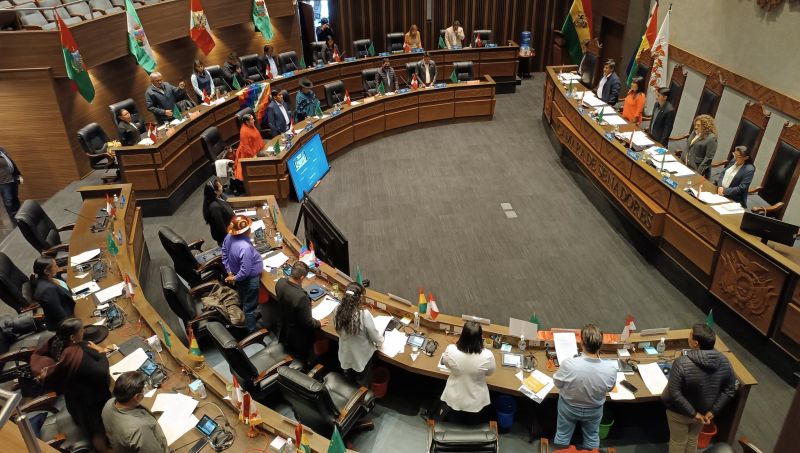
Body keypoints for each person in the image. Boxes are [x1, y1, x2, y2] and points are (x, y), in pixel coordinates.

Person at [31, 318, 112, 453]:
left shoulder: (56, 344)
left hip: (74, 401)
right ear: (72, 337)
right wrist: (102, 353)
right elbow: (103, 374)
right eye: (81, 330)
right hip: (91, 406)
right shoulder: (76, 356)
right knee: (98, 433)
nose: (84, 331)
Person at [662, 324, 736, 453]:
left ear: (696, 343)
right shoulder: (724, 361)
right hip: (704, 412)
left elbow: (674, 393)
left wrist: (693, 414)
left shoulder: (681, 363)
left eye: (690, 334)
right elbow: (729, 389)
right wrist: (713, 411)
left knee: (678, 441)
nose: (688, 335)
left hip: (679, 413)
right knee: (693, 439)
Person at [553, 324, 617, 450]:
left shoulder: (569, 364)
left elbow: (557, 384)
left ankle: (562, 451)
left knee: (562, 434)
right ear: (600, 345)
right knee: (592, 437)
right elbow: (609, 388)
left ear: (581, 343)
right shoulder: (610, 369)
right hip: (594, 410)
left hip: (568, 408)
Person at [438, 321, 496, 424]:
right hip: (476, 404)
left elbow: (446, 364)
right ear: (480, 337)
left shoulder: (450, 350)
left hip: (453, 400)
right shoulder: (488, 355)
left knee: (454, 421)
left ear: (462, 335)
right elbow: (490, 373)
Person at [275, 261, 329, 364]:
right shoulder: (301, 297)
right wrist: (319, 323)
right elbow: (308, 323)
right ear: (302, 277)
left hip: (284, 325)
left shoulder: (280, 282)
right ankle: (307, 363)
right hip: (298, 336)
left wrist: (304, 306)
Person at [102, 370, 169, 453]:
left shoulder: (109, 403)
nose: (145, 390)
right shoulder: (139, 431)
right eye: (144, 389)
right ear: (137, 397)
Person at [333, 282, 383, 384]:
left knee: (348, 380)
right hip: (361, 358)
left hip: (345, 355)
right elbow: (376, 338)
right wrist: (380, 342)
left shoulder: (337, 309)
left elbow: (338, 330)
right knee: (363, 382)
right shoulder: (364, 315)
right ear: (360, 298)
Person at [222, 214, 263, 332]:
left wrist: (230, 272)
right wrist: (234, 278)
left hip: (237, 275)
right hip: (249, 280)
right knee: (250, 306)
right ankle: (252, 330)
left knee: (245, 298)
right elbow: (245, 272)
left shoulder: (228, 237)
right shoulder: (245, 248)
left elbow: (224, 253)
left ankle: (247, 315)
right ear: (247, 231)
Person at [30, 255, 75, 331]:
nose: (57, 267)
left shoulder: (47, 278)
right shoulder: (48, 291)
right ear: (46, 271)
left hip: (70, 305)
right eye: (55, 266)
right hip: (67, 322)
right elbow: (60, 316)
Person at [682, 114, 718, 179]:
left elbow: (708, 159)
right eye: (695, 125)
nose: (695, 127)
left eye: (698, 125)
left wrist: (698, 174)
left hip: (694, 168)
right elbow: (688, 146)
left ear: (705, 126)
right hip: (683, 162)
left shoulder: (712, 139)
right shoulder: (695, 132)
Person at [202, 178, 234, 246]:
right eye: (220, 186)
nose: (222, 186)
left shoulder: (220, 196)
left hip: (230, 229)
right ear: (215, 192)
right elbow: (220, 226)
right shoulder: (215, 207)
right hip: (226, 239)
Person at [234, 113, 265, 180]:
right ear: (247, 122)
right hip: (248, 154)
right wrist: (253, 156)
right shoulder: (244, 132)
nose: (254, 120)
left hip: (256, 148)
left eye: (253, 119)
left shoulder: (251, 125)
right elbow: (246, 147)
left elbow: (257, 136)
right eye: (252, 119)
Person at [0, 146, 23, 221]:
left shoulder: (1, 149)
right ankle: (14, 218)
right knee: (9, 201)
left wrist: (18, 174)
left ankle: (20, 215)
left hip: (13, 178)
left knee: (15, 198)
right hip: (3, 182)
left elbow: (11, 162)